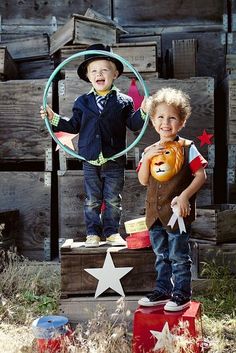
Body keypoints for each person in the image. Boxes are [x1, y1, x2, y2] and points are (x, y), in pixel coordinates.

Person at [40, 43, 145, 248]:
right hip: (89, 158)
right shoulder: (82, 102)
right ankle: (92, 234)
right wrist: (54, 119)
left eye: (105, 70)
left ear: (115, 74)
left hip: (114, 157)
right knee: (92, 199)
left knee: (113, 199)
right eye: (94, 71)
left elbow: (133, 125)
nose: (99, 74)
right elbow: (72, 125)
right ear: (88, 76)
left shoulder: (124, 101)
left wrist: (144, 111)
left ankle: (112, 232)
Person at [137, 87, 207, 311]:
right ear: (152, 121)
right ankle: (163, 290)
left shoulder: (188, 149)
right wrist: (147, 158)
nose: (165, 123)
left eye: (172, 118)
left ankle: (181, 294)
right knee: (161, 255)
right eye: (160, 117)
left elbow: (201, 175)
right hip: (155, 215)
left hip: (177, 214)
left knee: (178, 255)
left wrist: (186, 195)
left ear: (182, 121)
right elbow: (143, 181)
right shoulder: (149, 150)